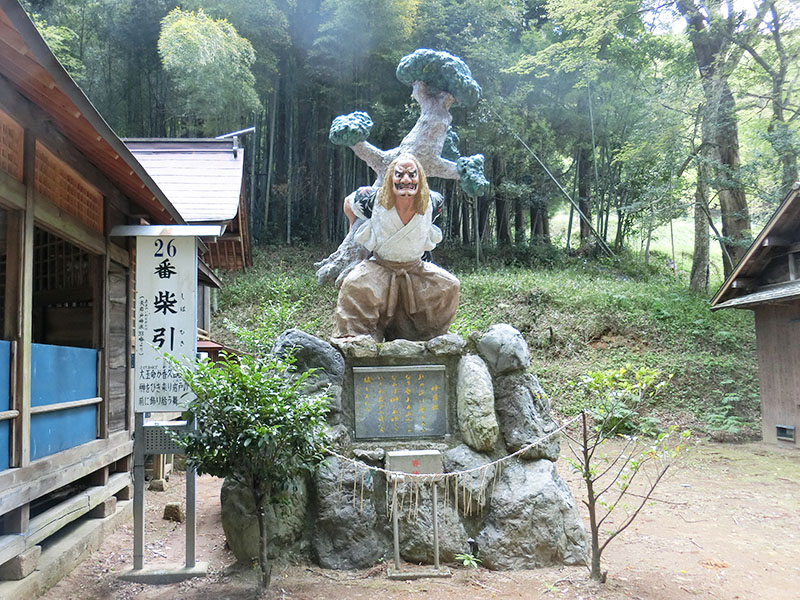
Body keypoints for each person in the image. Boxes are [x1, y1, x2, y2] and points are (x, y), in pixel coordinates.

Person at [335, 153, 459, 342]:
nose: (406, 180)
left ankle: (431, 335)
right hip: (380, 265)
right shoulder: (371, 199)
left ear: (420, 178)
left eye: (412, 175)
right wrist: (353, 226)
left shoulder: (433, 201)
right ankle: (361, 337)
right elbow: (347, 203)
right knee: (353, 284)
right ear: (391, 177)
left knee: (449, 285)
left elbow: (430, 228)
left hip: (416, 267)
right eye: (400, 175)